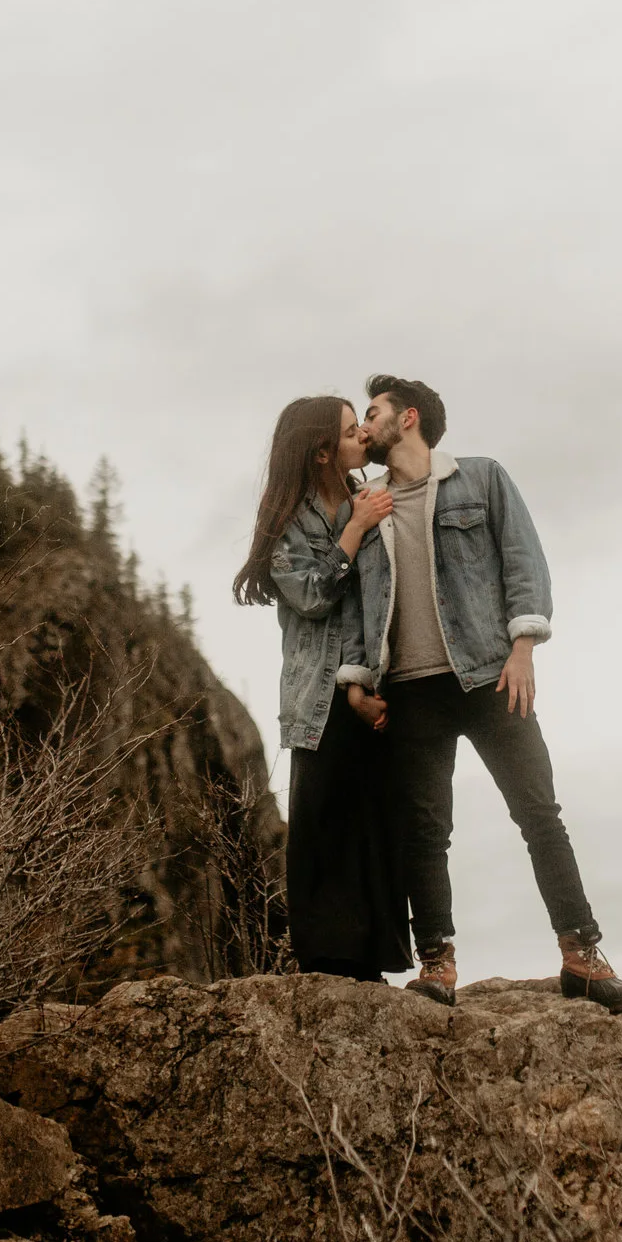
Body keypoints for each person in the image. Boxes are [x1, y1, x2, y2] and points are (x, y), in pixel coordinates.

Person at [338, 374, 622, 1012]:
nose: (364, 427)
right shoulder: (366, 502)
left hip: (490, 674)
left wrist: (524, 645)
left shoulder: (482, 478)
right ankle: (438, 967)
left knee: (539, 816)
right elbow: (355, 606)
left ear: (409, 418)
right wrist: (359, 681)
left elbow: (523, 559)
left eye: (373, 413)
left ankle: (582, 956)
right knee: (425, 833)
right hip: (410, 690)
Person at [233, 395, 411, 983]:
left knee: (374, 816)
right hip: (316, 693)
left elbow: (378, 598)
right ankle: (326, 958)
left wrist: (362, 680)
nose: (362, 431)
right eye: (348, 428)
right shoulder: (293, 520)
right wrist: (355, 531)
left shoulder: (371, 496)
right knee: (324, 816)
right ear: (320, 450)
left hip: (370, 681)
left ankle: (373, 957)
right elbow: (311, 597)